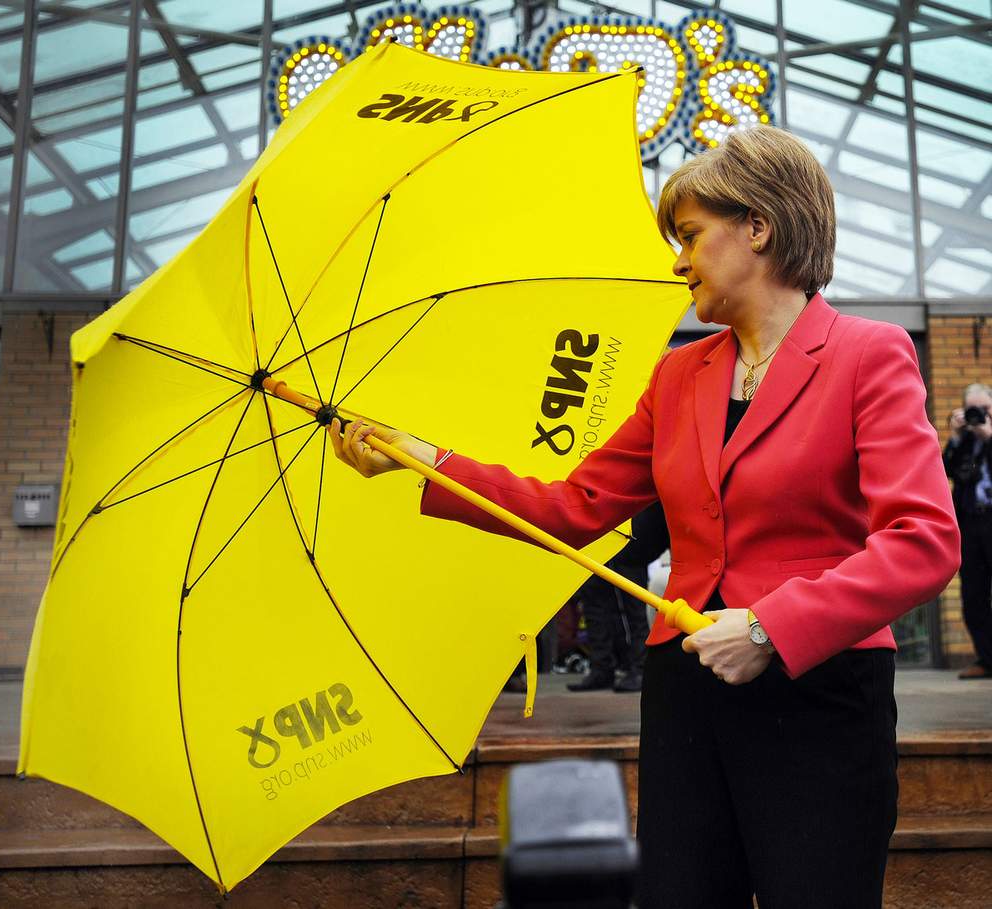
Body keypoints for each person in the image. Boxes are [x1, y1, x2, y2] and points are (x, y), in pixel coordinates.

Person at [328, 125, 960, 908]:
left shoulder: (872, 353)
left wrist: (768, 625)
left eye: (690, 235)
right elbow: (575, 506)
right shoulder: (678, 376)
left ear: (758, 226)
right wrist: (425, 458)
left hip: (821, 688)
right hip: (686, 685)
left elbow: (924, 542)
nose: (677, 258)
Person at [567, 500, 669, 693]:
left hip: (627, 524)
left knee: (631, 601)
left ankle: (638, 667)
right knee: (594, 600)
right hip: (598, 523)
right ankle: (602, 666)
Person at [944, 383, 992, 679]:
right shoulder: (963, 441)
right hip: (971, 523)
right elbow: (945, 469)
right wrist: (955, 436)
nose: (978, 415)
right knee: (973, 593)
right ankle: (987, 660)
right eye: (973, 409)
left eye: (984, 409)